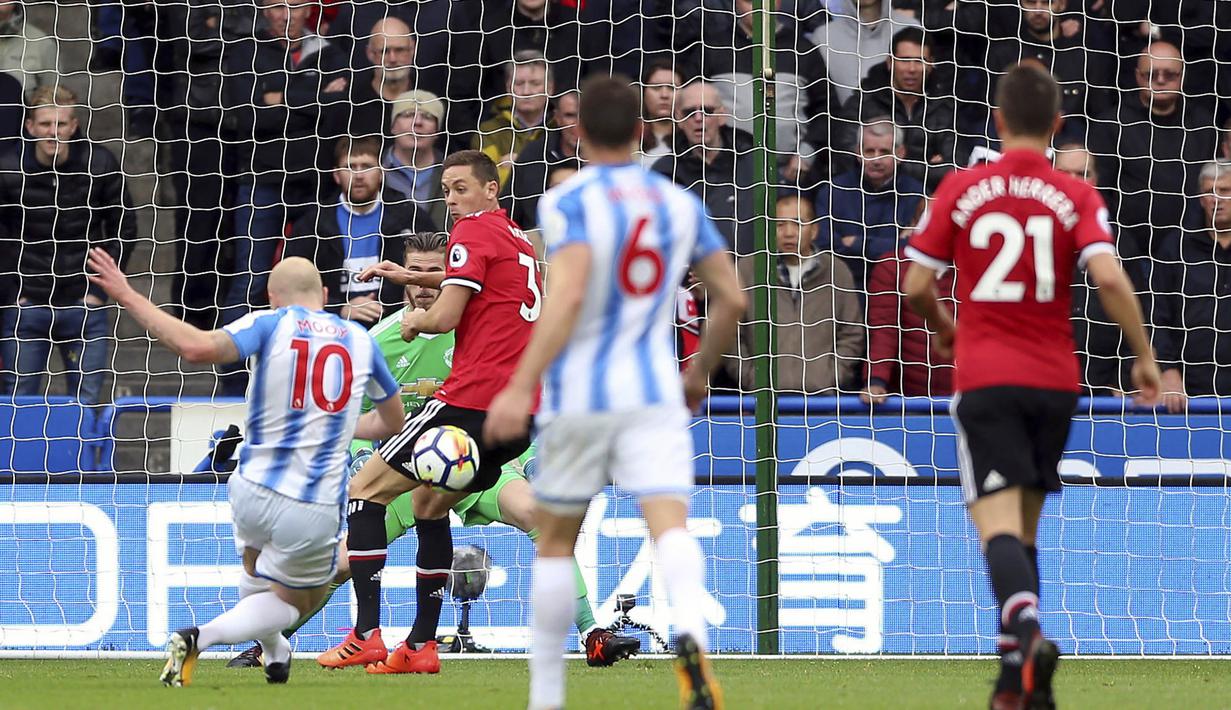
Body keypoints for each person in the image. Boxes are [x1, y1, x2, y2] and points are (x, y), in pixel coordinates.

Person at [225, 233, 639, 670]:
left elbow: (516, 393)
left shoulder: (479, 332)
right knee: (341, 560)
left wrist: (529, 456)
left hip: (475, 459)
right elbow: (353, 415)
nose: (424, 285)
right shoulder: (381, 341)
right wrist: (362, 456)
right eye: (415, 274)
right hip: (407, 469)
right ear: (402, 281)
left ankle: (592, 634)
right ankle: (268, 644)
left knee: (540, 516)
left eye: (432, 274)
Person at [902, 63, 1161, 710]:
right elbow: (1106, 279)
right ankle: (1014, 686)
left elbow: (912, 285)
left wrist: (943, 326)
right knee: (1022, 534)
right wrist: (1145, 356)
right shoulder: (1074, 194)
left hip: (986, 377)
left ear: (995, 120)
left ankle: (1024, 628)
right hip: (1054, 382)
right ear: (1055, 125)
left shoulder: (961, 188)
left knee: (993, 532)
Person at [484, 75, 746, 710]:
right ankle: (690, 631)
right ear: (640, 130)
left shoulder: (567, 201)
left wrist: (520, 385)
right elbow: (732, 297)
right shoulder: (676, 203)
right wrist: (699, 371)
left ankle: (547, 694)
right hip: (654, 388)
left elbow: (567, 295)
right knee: (669, 525)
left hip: (581, 394)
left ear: (577, 132)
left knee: (553, 543)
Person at [84, 250, 406, 687]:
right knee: (300, 598)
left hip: (249, 487)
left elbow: (194, 347)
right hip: (311, 500)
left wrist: (125, 293)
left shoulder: (268, 323)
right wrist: (342, 424)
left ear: (274, 298)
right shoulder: (360, 339)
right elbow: (392, 421)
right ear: (327, 294)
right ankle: (202, 637)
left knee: (257, 574)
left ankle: (275, 651)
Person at [336, 150, 542, 674]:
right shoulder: (516, 239)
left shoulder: (471, 235)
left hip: (467, 402)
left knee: (365, 491)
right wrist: (413, 276)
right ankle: (422, 645)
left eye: (461, 188)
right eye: (446, 190)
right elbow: (487, 296)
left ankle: (365, 635)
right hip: (516, 411)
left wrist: (413, 324)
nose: (451, 200)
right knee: (429, 505)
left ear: (490, 188)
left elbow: (449, 313)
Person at [0, 85, 136, 406]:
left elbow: (124, 228)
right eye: (45, 124)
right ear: (30, 127)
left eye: (60, 124)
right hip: (27, 305)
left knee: (86, 407)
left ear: (73, 126)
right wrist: (11, 290)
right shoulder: (7, 167)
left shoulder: (99, 163)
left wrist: (99, 291)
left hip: (83, 305)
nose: (53, 132)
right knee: (17, 409)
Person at [283, 136, 434, 326]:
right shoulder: (312, 225)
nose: (359, 175)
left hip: (398, 322)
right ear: (336, 175)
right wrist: (341, 309)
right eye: (350, 167)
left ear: (381, 173)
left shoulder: (410, 217)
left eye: (367, 166)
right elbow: (294, 286)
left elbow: (437, 270)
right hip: (330, 325)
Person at [730, 192, 864, 394]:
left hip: (822, 401)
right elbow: (731, 333)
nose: (789, 233)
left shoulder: (837, 271)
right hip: (762, 400)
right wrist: (752, 378)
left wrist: (829, 377)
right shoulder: (748, 270)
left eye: (798, 223)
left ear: (815, 230)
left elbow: (852, 333)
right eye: (780, 225)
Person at [816, 120, 925, 290]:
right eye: (869, 151)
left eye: (884, 152)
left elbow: (917, 251)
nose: (876, 159)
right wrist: (890, 245)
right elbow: (824, 247)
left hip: (897, 290)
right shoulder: (832, 191)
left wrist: (857, 243)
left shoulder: (917, 195)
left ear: (901, 153)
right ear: (858, 152)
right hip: (843, 289)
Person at [652, 79, 756, 254]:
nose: (698, 118)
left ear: (722, 115)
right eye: (690, 112)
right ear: (678, 118)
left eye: (706, 111)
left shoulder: (754, 163)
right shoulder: (664, 172)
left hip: (753, 275)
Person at [474, 50, 554, 187]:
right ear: (508, 88)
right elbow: (487, 184)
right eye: (519, 84)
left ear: (550, 88)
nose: (526, 91)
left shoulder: (561, 129)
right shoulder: (488, 132)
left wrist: (518, 164)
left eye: (535, 84)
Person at [504, 90, 581, 230]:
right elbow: (508, 216)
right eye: (570, 116)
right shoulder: (532, 156)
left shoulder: (609, 161)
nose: (578, 125)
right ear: (557, 117)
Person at [382, 90, 449, 229]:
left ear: (437, 130)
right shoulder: (375, 170)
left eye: (428, 117)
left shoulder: (453, 174)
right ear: (393, 126)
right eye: (408, 115)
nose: (417, 122)